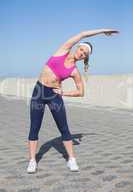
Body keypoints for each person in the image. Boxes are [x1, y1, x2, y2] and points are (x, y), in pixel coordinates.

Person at [27, 28, 119, 173]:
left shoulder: (75, 71)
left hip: (53, 95)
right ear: (78, 47)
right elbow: (83, 34)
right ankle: (32, 161)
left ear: (84, 58)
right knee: (34, 127)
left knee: (63, 128)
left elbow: (81, 92)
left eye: (85, 54)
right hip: (38, 91)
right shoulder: (63, 50)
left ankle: (71, 159)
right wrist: (103, 31)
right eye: (82, 49)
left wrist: (64, 93)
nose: (82, 53)